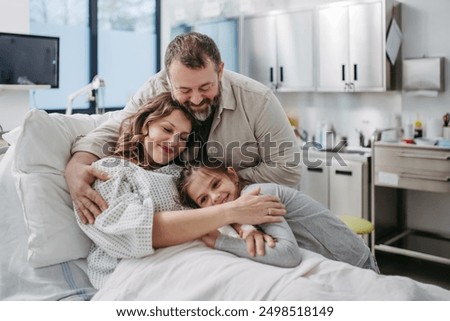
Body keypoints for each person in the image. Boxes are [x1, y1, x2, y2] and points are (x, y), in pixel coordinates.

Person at [65, 32, 301, 228]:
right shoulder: (155, 88)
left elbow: (288, 168)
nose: (197, 99)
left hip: (255, 212)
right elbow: (120, 128)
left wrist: (220, 184)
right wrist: (77, 165)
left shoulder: (258, 100)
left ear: (220, 71)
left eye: (206, 87)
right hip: (192, 224)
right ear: (168, 80)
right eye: (185, 90)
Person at [76, 92, 286, 289]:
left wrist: (244, 226)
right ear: (146, 125)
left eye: (183, 137)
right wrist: (233, 212)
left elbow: (214, 203)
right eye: (167, 130)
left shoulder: (180, 174)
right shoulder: (110, 171)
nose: (174, 142)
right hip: (142, 270)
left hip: (206, 256)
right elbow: (139, 232)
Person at [177, 160, 380, 273]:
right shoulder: (238, 210)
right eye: (204, 199)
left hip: (355, 262)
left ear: (232, 174)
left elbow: (288, 255)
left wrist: (219, 241)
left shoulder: (256, 195)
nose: (215, 197)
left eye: (215, 184)